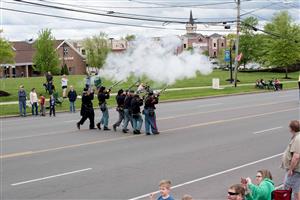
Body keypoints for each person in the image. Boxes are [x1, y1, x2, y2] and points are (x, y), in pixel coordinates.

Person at [281, 120, 300, 200]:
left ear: (292, 128)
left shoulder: (298, 139)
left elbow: (296, 156)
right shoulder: (297, 137)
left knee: (286, 188)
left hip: (294, 170)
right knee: (296, 189)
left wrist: (291, 169)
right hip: (295, 170)